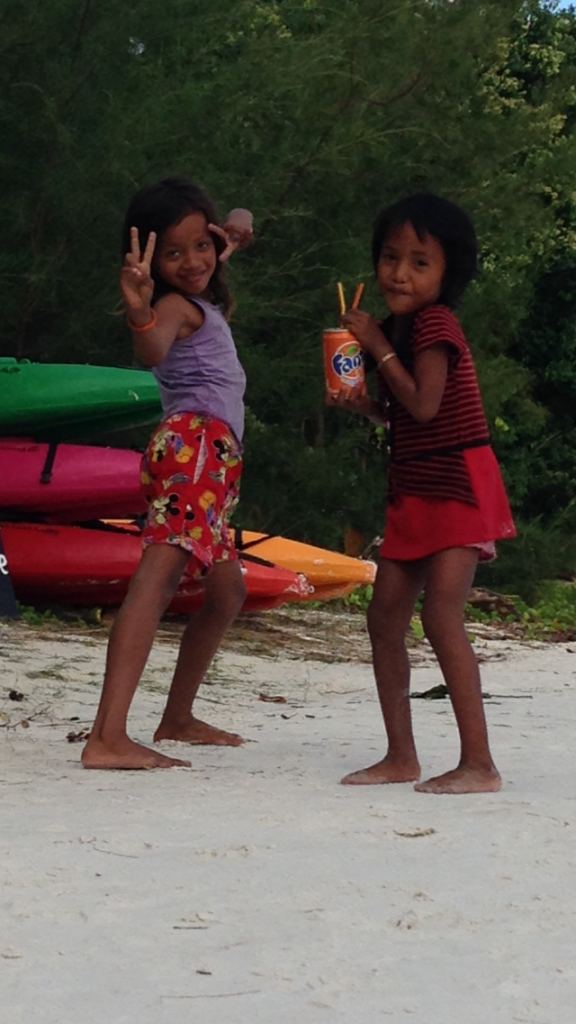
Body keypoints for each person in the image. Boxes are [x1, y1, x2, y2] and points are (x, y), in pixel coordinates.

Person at [333, 192, 515, 794]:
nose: (399, 273)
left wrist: (377, 349)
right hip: (415, 485)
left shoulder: (435, 324)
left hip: (457, 483)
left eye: (419, 262)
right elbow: (399, 414)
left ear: (447, 273)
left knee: (440, 615)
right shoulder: (396, 329)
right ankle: (401, 755)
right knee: (384, 617)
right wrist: (365, 406)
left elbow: (426, 404)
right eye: (390, 257)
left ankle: (479, 764)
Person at [82, 177, 253, 769]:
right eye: (173, 254)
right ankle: (107, 737)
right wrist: (137, 308)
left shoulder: (204, 283)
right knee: (154, 584)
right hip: (195, 451)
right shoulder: (173, 305)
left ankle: (177, 716)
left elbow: (238, 213)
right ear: (151, 261)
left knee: (228, 590)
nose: (192, 262)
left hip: (211, 462)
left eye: (200, 246)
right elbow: (152, 349)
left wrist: (231, 225)